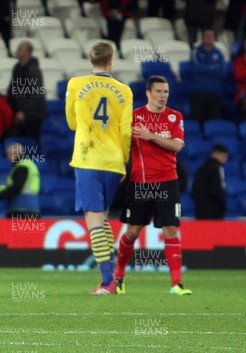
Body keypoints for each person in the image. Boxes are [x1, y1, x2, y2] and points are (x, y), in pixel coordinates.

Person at [65, 41, 133, 295]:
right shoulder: (125, 91)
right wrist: (124, 160)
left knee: (93, 219)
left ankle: (108, 281)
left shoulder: (75, 84)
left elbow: (72, 122)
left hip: (87, 158)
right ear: (111, 61)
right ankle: (111, 276)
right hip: (114, 161)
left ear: (90, 59)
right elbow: (126, 130)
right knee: (102, 218)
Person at [114, 75, 192, 296]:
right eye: (158, 91)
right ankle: (119, 276)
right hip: (140, 183)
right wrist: (119, 166)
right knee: (133, 231)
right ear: (148, 93)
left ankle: (176, 284)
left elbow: (176, 146)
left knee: (172, 229)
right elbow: (121, 145)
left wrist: (151, 135)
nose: (162, 96)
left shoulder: (175, 117)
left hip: (167, 181)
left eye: (165, 92)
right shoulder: (134, 117)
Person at [7, 41, 47, 143]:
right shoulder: (17, 68)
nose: (17, 51)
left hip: (32, 115)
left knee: (31, 142)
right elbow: (13, 88)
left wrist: (24, 112)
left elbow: (36, 94)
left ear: (27, 52)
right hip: (19, 112)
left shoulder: (33, 70)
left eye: (20, 49)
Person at [0, 143, 41, 218]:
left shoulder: (21, 166)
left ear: (14, 154)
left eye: (9, 154)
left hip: (20, 209)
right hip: (32, 208)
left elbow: (17, 186)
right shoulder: (29, 165)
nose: (8, 157)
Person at [190, 28, 226, 123]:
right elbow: (196, 69)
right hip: (198, 92)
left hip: (214, 93)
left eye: (211, 36)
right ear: (202, 38)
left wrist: (205, 68)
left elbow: (222, 72)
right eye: (207, 36)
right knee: (197, 123)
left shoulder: (219, 54)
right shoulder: (195, 52)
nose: (209, 38)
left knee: (213, 123)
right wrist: (212, 67)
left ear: (214, 38)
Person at [192, 143, 229, 219]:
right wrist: (222, 205)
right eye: (224, 156)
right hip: (214, 211)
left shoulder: (201, 169)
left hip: (200, 210)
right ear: (215, 154)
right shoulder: (217, 168)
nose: (226, 159)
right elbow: (217, 189)